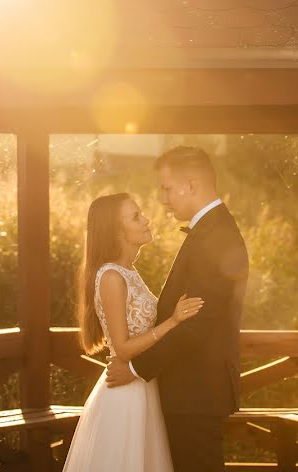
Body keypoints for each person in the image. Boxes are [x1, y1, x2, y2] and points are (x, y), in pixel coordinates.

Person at [106, 146, 250, 472]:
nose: (163, 198)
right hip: (190, 392)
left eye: (167, 188)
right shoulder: (211, 230)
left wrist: (135, 369)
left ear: (190, 185)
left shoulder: (216, 237)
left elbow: (196, 327)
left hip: (195, 394)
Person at [62, 192, 204, 472]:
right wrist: (173, 321)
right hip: (124, 396)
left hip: (142, 387)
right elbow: (123, 348)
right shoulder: (111, 277)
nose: (146, 220)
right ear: (116, 231)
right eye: (136, 216)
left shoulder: (130, 272)